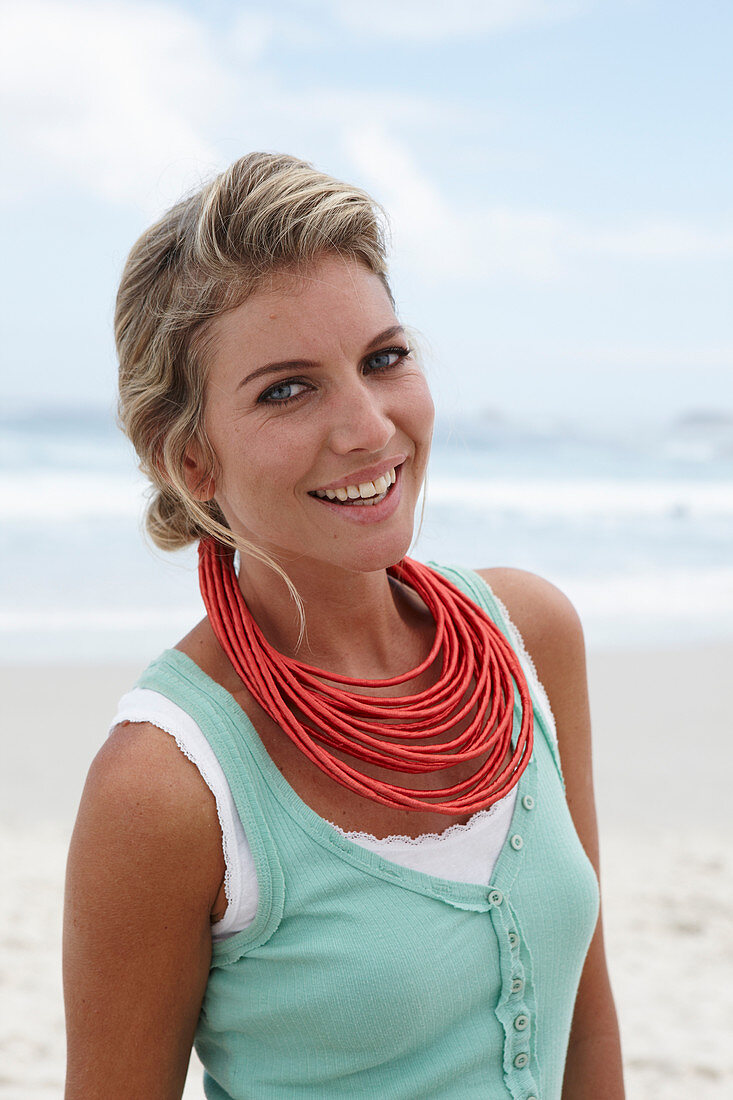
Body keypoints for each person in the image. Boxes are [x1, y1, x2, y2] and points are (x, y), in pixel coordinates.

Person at [63, 152, 624, 1099]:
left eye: (383, 359)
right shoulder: (165, 787)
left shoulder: (531, 638)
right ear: (192, 460)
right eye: (287, 388)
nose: (368, 427)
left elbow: (586, 1019)